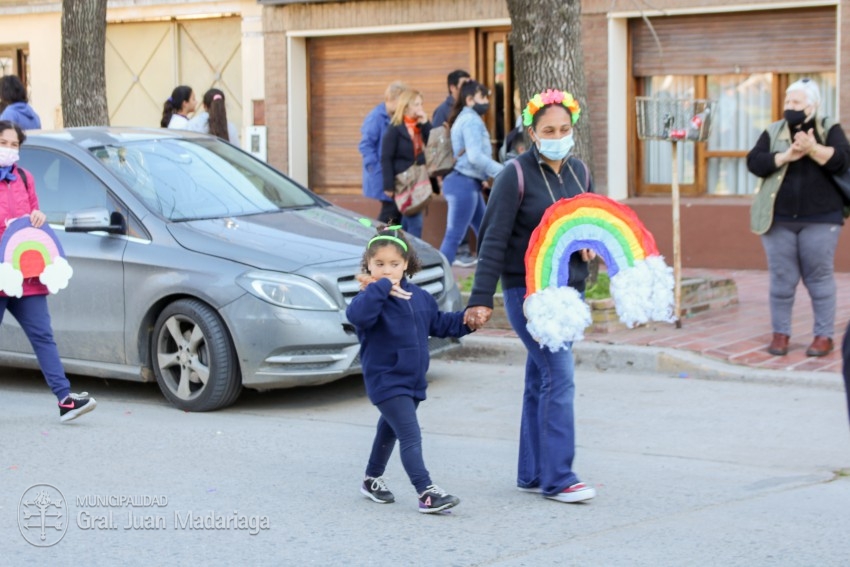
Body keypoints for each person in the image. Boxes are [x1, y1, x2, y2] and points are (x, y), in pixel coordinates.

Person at [464, 89, 596, 504]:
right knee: (559, 374)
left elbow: (584, 221)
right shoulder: (515, 175)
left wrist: (588, 244)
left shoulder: (579, 173)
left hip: (566, 292)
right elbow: (493, 239)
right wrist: (480, 297)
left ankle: (532, 472)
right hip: (527, 293)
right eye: (548, 130)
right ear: (533, 134)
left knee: (541, 377)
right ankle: (559, 478)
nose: (557, 135)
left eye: (564, 128)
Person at [346, 225, 475, 513]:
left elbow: (441, 324)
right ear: (368, 264)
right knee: (409, 434)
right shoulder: (368, 299)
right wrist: (380, 287)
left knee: (389, 430)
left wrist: (468, 321)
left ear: (406, 264)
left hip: (413, 380)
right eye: (379, 264)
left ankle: (371, 480)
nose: (387, 270)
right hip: (385, 380)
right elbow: (357, 316)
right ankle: (426, 492)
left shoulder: (419, 297)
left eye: (394, 264)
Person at [0, 120, 96, 422]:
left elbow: (33, 219)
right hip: (1, 272)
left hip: (26, 274)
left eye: (15, 145)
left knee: (43, 334)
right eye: (4, 143)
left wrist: (37, 217)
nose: (10, 149)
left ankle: (65, 400)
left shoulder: (26, 179)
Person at [747, 78, 850, 357]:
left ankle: (823, 336)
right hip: (778, 217)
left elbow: (842, 160)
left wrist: (812, 149)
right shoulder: (774, 130)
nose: (790, 107)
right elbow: (754, 162)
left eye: (797, 102)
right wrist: (786, 156)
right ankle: (780, 334)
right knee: (782, 278)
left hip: (821, 218)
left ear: (812, 106)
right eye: (788, 102)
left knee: (819, 277)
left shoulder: (829, 128)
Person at [438, 80, 504, 265]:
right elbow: (475, 156)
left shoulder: (464, 118)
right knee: (454, 236)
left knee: (485, 231)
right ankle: (441, 278)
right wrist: (502, 171)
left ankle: (490, 271)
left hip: (467, 183)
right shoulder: (471, 121)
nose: (486, 101)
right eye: (482, 97)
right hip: (463, 184)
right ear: (469, 100)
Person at [431, 70, 474, 266]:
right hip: (453, 171)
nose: (468, 88)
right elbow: (436, 145)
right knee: (458, 217)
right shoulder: (443, 111)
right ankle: (455, 255)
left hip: (468, 171)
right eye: (464, 84)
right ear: (453, 87)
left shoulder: (466, 109)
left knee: (476, 216)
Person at [381, 89, 431, 238]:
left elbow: (434, 144)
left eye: (421, 104)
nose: (420, 108)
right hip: (403, 181)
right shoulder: (395, 129)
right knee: (413, 220)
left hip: (419, 179)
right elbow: (386, 157)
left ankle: (406, 252)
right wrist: (388, 185)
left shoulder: (420, 126)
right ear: (406, 107)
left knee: (410, 219)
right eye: (416, 104)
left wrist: (426, 123)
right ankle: (412, 253)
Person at [359, 81, 407, 224]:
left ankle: (387, 242)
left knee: (394, 214)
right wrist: (376, 169)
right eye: (400, 101)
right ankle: (377, 242)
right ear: (390, 100)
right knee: (390, 212)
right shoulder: (376, 118)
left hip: (391, 173)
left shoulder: (395, 116)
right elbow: (366, 146)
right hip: (382, 173)